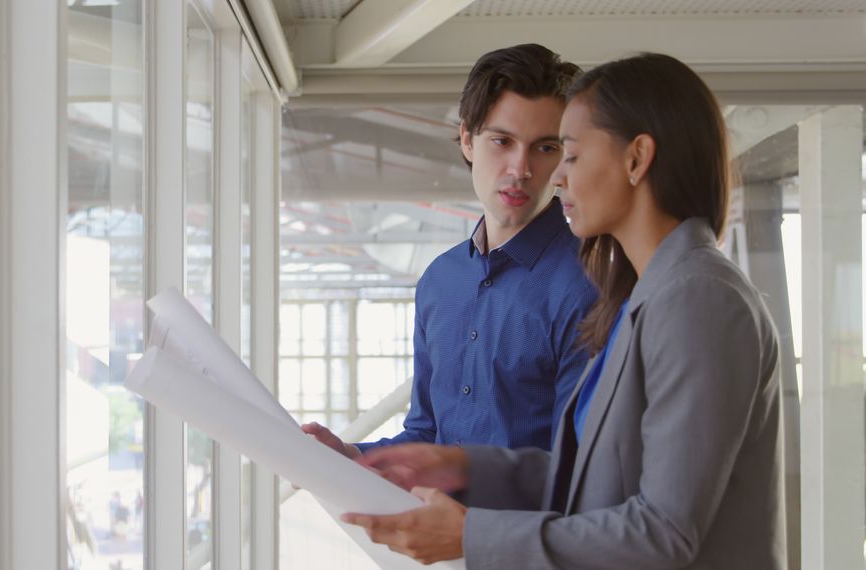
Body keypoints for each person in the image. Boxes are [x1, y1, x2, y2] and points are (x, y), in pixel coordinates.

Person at [341, 52, 787, 569]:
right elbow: (594, 479)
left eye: (566, 154)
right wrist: (457, 463)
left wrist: (473, 535)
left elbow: (663, 533)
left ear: (636, 159)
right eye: (503, 142)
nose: (553, 177)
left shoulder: (698, 298)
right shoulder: (656, 293)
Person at [303, 44, 597, 459]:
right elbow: (426, 432)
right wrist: (355, 457)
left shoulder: (589, 285)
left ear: (566, 157)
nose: (520, 169)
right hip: (435, 523)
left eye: (545, 148)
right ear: (467, 140)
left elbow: (583, 468)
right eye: (502, 141)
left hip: (523, 526)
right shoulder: (440, 282)